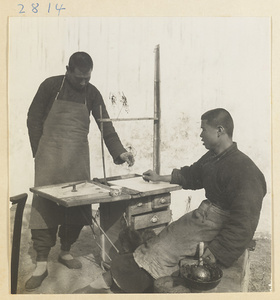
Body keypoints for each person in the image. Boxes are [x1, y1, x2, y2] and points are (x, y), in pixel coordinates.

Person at [73, 108, 266, 294]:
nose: (200, 135)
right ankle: (119, 276)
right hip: (205, 216)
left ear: (220, 130)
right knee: (163, 237)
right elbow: (192, 174)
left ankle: (108, 281)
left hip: (219, 224)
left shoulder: (245, 171)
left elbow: (244, 221)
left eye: (203, 129)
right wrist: (159, 177)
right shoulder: (213, 157)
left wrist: (217, 252)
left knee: (159, 251)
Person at [26, 51, 135, 290]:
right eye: (79, 78)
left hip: (77, 159)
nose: (84, 83)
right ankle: (41, 263)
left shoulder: (92, 93)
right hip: (49, 158)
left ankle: (65, 251)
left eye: (87, 78)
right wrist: (39, 151)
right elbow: (33, 118)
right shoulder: (50, 86)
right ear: (68, 70)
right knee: (44, 208)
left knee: (77, 207)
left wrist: (120, 153)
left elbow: (106, 126)